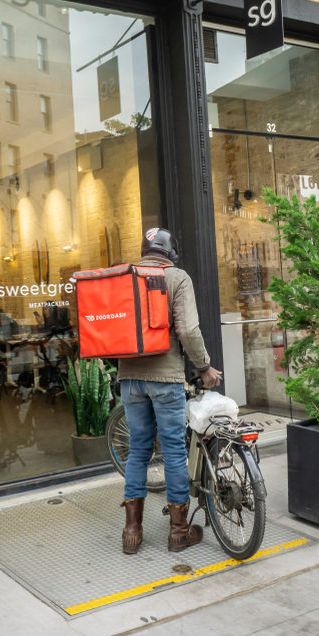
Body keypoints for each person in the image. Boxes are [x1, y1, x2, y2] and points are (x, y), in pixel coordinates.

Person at [118, 227, 222, 555]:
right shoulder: (177, 278)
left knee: (138, 450)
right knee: (175, 452)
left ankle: (132, 531)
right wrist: (204, 367)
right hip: (165, 380)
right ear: (170, 251)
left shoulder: (126, 277)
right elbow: (188, 329)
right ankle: (178, 532)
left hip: (130, 379)